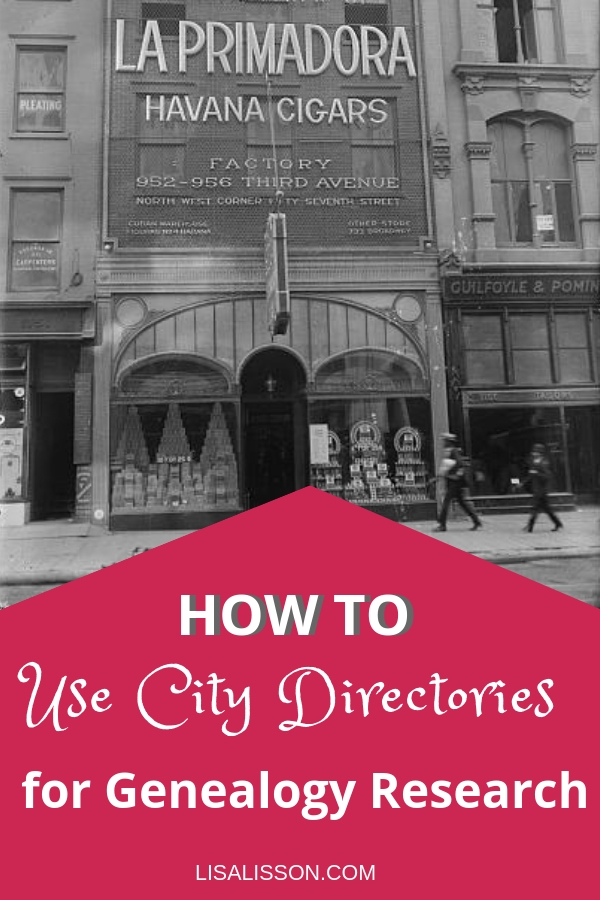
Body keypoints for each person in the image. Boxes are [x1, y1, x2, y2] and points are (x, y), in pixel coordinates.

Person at [435, 433, 482, 532]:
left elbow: (459, 464)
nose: (443, 442)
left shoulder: (453, 451)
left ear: (448, 441)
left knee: (446, 501)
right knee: (462, 502)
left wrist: (456, 475)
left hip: (455, 482)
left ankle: (442, 525)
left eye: (445, 441)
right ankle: (476, 521)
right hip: (454, 481)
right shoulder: (450, 451)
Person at [523, 443, 563, 532]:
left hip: (542, 490)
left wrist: (536, 474)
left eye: (535, 451)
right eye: (533, 451)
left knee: (535, 508)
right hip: (537, 489)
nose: (533, 453)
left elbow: (547, 476)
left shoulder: (543, 462)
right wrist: (522, 483)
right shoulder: (534, 461)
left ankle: (530, 527)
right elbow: (531, 475)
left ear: (539, 453)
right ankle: (557, 523)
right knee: (548, 510)